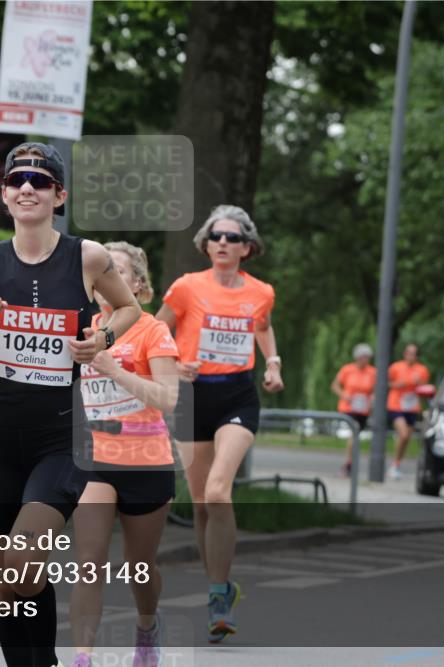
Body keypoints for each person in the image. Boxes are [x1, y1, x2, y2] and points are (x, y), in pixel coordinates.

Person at [0, 143, 141, 667]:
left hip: (60, 436)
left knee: (23, 560)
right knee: (7, 576)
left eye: (41, 181)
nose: (28, 188)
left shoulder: (86, 256)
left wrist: (102, 340)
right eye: (17, 180)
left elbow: (128, 308)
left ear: (59, 195)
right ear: (5, 195)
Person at [155, 204, 283, 643]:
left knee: (216, 491)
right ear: (206, 245)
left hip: (237, 395)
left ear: (247, 247)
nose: (223, 243)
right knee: (200, 504)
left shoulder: (261, 292)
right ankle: (221, 586)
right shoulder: (186, 287)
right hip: (192, 397)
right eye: (216, 236)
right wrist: (176, 365)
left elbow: (262, 326)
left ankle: (216, 597)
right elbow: (156, 331)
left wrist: (273, 363)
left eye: (232, 237)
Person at [69, 242, 179, 667]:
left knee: (140, 566)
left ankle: (147, 626)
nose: (107, 279)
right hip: (95, 461)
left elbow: (168, 398)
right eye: (102, 272)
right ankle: (82, 656)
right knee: (88, 563)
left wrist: (116, 371)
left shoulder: (153, 330)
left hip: (147, 462)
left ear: (136, 285)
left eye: (117, 271)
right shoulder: (82, 329)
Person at [386, 343, 430, 480]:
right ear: (405, 354)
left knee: (406, 439)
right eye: (409, 353)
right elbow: (386, 383)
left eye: (414, 354)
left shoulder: (422, 370)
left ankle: (396, 464)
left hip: (412, 406)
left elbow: (424, 388)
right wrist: (397, 384)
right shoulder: (395, 367)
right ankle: (394, 465)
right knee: (404, 434)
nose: (412, 356)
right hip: (396, 405)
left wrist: (419, 384)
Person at [332, 343, 377, 477]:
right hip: (348, 407)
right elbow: (335, 386)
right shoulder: (347, 370)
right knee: (355, 431)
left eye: (368, 357)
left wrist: (372, 399)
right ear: (357, 357)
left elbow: (375, 390)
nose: (366, 360)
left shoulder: (373, 372)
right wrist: (344, 395)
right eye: (364, 357)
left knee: (355, 435)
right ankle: (349, 463)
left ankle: (349, 463)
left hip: (363, 409)